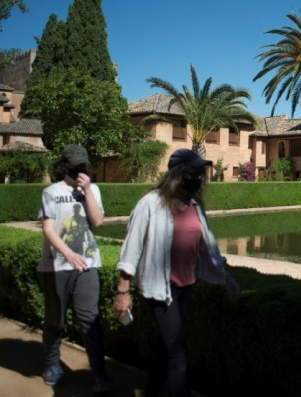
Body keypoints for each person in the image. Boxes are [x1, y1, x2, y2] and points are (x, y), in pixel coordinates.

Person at [112, 148, 240, 397]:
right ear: (177, 174)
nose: (198, 178)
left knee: (166, 350)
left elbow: (209, 248)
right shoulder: (150, 204)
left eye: (201, 173)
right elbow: (131, 249)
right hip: (160, 291)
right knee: (179, 357)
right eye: (193, 172)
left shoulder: (194, 206)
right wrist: (122, 291)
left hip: (185, 287)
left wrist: (227, 279)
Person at [36, 144, 111, 392]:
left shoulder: (93, 190)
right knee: (55, 320)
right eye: (76, 166)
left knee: (90, 320)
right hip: (55, 266)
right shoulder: (51, 192)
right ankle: (51, 363)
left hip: (87, 265)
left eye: (84, 166)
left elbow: (97, 222)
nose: (81, 171)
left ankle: (100, 373)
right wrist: (67, 254)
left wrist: (88, 190)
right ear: (64, 166)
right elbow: (48, 229)